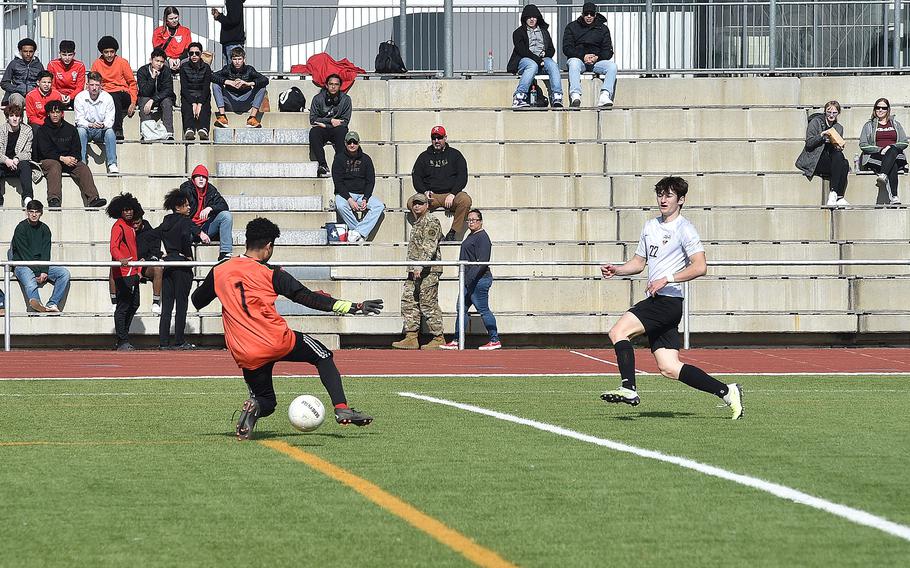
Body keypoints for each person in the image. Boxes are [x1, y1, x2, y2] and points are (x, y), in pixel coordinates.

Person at [191, 217, 381, 440]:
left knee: (267, 402)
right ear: (269, 246)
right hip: (276, 340)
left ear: (246, 242)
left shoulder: (221, 270)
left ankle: (253, 406)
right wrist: (353, 306)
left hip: (244, 349)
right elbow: (307, 298)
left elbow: (197, 300)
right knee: (322, 355)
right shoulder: (272, 273)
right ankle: (341, 407)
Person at [599, 176, 744, 420]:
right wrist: (618, 270)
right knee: (669, 367)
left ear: (681, 200)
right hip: (660, 301)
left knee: (618, 332)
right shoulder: (650, 226)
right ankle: (727, 391)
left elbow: (700, 267)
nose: (663, 199)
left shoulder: (685, 229)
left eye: (669, 195)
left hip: (667, 302)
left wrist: (667, 278)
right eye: (660, 194)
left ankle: (629, 388)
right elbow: (638, 263)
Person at [440, 209, 501, 351]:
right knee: (461, 309)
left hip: (478, 280)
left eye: (474, 220)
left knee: (483, 309)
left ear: (480, 221)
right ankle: (457, 340)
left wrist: (470, 279)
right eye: (469, 220)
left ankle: (494, 339)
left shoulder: (482, 237)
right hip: (467, 281)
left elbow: (482, 262)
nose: (471, 222)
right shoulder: (471, 235)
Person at [391, 193, 444, 350]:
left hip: (428, 270)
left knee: (428, 303)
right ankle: (411, 336)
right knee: (409, 302)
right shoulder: (418, 222)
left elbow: (430, 246)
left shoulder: (431, 221)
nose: (416, 206)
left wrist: (420, 265)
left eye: (420, 203)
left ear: (427, 205)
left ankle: (438, 337)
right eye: (415, 203)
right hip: (413, 270)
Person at [33, 100, 106, 208]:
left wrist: (73, 158)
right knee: (55, 165)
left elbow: (77, 148)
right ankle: (54, 199)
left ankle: (93, 198)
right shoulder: (42, 130)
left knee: (82, 167)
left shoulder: (71, 129)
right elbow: (44, 151)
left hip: (67, 160)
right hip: (48, 160)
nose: (55, 115)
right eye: (52, 112)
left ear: (62, 113)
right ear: (48, 113)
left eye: (58, 112)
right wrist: (61, 158)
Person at [411, 125, 472, 241]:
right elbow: (416, 177)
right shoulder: (423, 157)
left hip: (451, 195)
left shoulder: (455, 155)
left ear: (445, 138)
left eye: (439, 138)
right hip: (431, 196)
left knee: (465, 200)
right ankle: (436, 231)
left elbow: (462, 176)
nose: (437, 141)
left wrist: (453, 193)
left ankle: (452, 233)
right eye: (434, 138)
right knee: (411, 202)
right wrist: (424, 191)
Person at [158, 189, 202, 350]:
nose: (189, 208)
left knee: (167, 305)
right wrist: (188, 254)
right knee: (181, 304)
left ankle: (163, 341)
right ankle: (179, 339)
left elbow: (155, 235)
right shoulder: (185, 221)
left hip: (168, 264)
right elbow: (189, 235)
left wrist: (158, 254)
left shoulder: (165, 222)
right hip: (182, 265)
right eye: (186, 205)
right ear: (178, 207)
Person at [10, 200, 71, 313]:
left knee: (64, 273)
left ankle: (53, 303)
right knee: (29, 279)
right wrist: (38, 272)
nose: (34, 214)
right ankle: (37, 304)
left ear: (41, 213)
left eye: (37, 212)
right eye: (31, 211)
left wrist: (44, 270)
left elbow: (45, 251)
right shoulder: (21, 228)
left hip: (40, 264)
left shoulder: (45, 229)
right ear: (27, 212)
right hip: (22, 264)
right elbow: (24, 254)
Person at [331, 131, 384, 242]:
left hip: (361, 195)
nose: (352, 145)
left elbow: (370, 181)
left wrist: (365, 198)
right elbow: (338, 182)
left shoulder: (366, 159)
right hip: (345, 194)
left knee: (379, 206)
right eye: (349, 142)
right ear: (345, 143)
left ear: (358, 143)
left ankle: (357, 232)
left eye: (354, 142)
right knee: (340, 205)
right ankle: (361, 233)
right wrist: (349, 199)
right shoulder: (339, 159)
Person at [507, 4, 563, 108]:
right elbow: (522, 51)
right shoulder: (518, 32)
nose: (532, 19)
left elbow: (551, 49)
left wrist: (545, 57)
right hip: (525, 60)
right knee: (532, 65)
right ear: (524, 18)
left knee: (553, 64)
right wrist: (538, 60)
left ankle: (557, 96)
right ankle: (519, 97)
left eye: (534, 17)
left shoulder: (544, 32)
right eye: (529, 17)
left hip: (541, 60)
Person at [563, 2, 618, 108]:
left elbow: (608, 51)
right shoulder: (572, 27)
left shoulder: (603, 29)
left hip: (596, 61)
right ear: (582, 14)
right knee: (573, 63)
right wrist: (583, 56)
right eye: (586, 14)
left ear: (595, 15)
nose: (589, 16)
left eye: (591, 14)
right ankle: (575, 95)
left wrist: (597, 57)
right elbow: (567, 48)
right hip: (579, 60)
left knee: (612, 66)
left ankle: (605, 95)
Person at [796, 100, 850, 207]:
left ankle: (836, 195)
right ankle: (836, 195)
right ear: (825, 112)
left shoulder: (838, 127)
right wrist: (822, 135)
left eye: (834, 113)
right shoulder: (816, 122)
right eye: (828, 112)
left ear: (838, 113)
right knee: (842, 163)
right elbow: (809, 143)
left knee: (844, 163)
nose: (831, 115)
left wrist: (839, 145)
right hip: (815, 159)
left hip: (830, 158)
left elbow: (835, 150)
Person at [107, 193, 144, 351]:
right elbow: (113, 247)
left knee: (135, 304)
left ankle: (123, 336)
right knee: (123, 306)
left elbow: (133, 250)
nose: (128, 212)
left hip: (133, 272)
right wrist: (121, 258)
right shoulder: (118, 226)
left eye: (130, 209)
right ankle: (122, 340)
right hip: (123, 272)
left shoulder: (130, 226)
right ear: (120, 211)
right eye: (125, 210)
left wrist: (139, 268)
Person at [178, 164, 233, 260]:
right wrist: (199, 233)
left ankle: (225, 253)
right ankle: (184, 259)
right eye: (198, 176)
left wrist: (210, 208)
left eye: (204, 177)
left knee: (226, 215)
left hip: (206, 227)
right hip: (189, 228)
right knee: (183, 232)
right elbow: (182, 217)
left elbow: (224, 205)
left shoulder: (211, 190)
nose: (201, 179)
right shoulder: (186, 190)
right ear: (193, 179)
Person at [859, 97, 906, 205]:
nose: (880, 110)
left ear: (888, 110)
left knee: (892, 149)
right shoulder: (868, 125)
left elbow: (904, 142)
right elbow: (863, 144)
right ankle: (894, 197)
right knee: (892, 165)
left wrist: (889, 148)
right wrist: (880, 149)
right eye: (878, 107)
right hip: (876, 156)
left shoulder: (896, 124)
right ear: (874, 109)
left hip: (895, 154)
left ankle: (883, 174)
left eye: (883, 108)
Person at [90, 36, 137, 140]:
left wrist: (133, 102)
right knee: (109, 97)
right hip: (104, 94)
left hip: (122, 94)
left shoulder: (122, 62)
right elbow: (92, 82)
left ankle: (117, 129)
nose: (109, 55)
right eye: (106, 52)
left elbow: (132, 83)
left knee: (114, 97)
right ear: (102, 52)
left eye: (112, 51)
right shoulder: (97, 64)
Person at [212, 47, 268, 128]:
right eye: (235, 59)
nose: (237, 62)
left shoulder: (249, 69)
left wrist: (248, 84)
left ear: (244, 59)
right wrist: (228, 82)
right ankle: (222, 116)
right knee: (215, 85)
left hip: (246, 101)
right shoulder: (227, 69)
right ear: (231, 59)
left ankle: (252, 118)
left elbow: (265, 80)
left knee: (262, 87)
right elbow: (212, 76)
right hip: (230, 102)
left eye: (239, 59)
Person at [74, 72, 119, 173]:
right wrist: (89, 124)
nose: (94, 88)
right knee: (80, 131)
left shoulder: (107, 98)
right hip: (86, 129)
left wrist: (103, 125)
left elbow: (110, 120)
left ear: (101, 86)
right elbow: (79, 120)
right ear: (87, 85)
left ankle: (112, 164)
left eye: (97, 85)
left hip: (101, 130)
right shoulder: (80, 97)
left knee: (110, 132)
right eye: (92, 85)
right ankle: (82, 163)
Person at [309, 74, 351, 177]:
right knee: (314, 132)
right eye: (331, 84)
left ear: (340, 86)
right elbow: (313, 119)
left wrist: (326, 125)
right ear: (326, 86)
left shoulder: (346, 99)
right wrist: (331, 120)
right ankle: (323, 165)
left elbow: (345, 121)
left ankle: (339, 165)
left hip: (336, 129)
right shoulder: (318, 98)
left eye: (336, 84)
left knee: (342, 131)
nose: (333, 87)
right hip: (323, 129)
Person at [136, 48, 176, 140]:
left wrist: (153, 99)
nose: (159, 64)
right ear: (151, 60)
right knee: (144, 100)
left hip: (160, 97)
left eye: (161, 61)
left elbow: (168, 90)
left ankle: (169, 133)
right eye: (157, 61)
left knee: (167, 102)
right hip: (147, 97)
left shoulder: (166, 71)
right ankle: (146, 133)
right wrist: (153, 77)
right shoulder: (142, 71)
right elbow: (144, 91)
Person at [0, 104, 35, 208]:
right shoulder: (1, 130)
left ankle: (28, 198)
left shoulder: (27, 131)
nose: (14, 118)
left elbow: (28, 153)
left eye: (17, 116)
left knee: (25, 165)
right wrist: (6, 160)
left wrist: (16, 158)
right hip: (3, 163)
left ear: (21, 118)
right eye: (11, 116)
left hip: (17, 163)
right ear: (7, 118)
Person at [178, 43, 213, 141]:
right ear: (188, 55)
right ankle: (189, 129)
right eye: (191, 53)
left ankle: (204, 129)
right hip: (189, 93)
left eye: (197, 53)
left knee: (205, 107)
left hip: (202, 93)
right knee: (187, 106)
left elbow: (206, 88)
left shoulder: (206, 67)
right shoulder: (184, 67)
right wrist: (193, 103)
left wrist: (200, 104)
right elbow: (184, 88)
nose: (194, 55)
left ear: (201, 54)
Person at [1, 38, 43, 108]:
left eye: (31, 51)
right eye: (25, 51)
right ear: (20, 51)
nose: (28, 54)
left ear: (34, 52)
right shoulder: (14, 64)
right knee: (17, 99)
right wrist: (17, 89)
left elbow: (43, 81)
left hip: (34, 95)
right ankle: (17, 119)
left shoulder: (39, 65)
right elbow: (4, 83)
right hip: (17, 94)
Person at [46, 40, 85, 109]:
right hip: (57, 94)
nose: (67, 58)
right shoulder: (52, 64)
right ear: (59, 54)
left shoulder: (80, 66)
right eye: (64, 55)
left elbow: (80, 87)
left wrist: (70, 96)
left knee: (82, 105)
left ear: (74, 54)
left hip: (74, 95)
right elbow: (52, 85)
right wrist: (60, 95)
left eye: (70, 55)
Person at [152, 6, 192, 70]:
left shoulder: (185, 31)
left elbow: (187, 50)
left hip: (181, 58)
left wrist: (179, 59)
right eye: (171, 19)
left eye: (176, 18)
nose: (174, 21)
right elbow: (157, 50)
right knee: (160, 63)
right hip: (165, 58)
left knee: (188, 62)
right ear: (166, 19)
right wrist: (168, 59)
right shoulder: (159, 31)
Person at [212, 0, 247, 67]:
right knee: (228, 71)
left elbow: (233, 20)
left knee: (234, 70)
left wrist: (219, 16)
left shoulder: (233, 1)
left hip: (233, 41)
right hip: (231, 40)